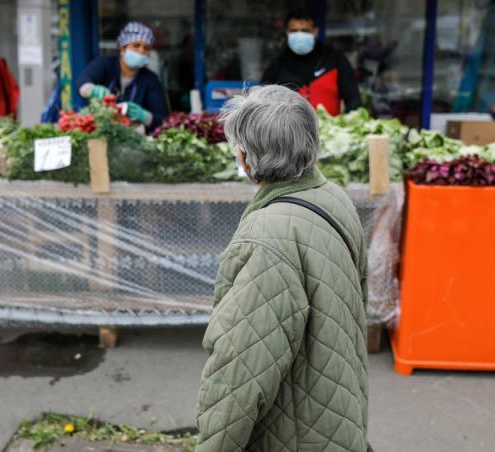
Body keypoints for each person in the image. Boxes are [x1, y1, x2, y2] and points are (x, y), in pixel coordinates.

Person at [195, 85, 369, 452]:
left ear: (246, 156)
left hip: (293, 436)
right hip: (340, 417)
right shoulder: (334, 198)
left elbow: (237, 373)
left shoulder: (265, 237)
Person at [261, 9, 361, 115]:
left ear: (315, 31)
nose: (299, 35)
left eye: (305, 31)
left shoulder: (334, 58)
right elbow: (262, 102)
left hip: (330, 129)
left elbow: (353, 100)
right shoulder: (278, 64)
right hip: (291, 130)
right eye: (294, 31)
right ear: (287, 32)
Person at [76, 22, 169, 129]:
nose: (141, 51)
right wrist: (91, 90)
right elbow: (82, 81)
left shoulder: (150, 79)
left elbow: (163, 119)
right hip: (96, 130)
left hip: (131, 136)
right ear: (122, 49)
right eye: (136, 46)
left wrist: (144, 116)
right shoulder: (104, 64)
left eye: (146, 48)